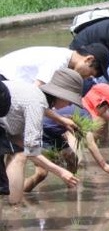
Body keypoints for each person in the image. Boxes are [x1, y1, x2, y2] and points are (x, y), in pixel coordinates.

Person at [1, 68, 84, 204]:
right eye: (69, 100)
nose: (69, 104)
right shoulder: (37, 104)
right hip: (3, 124)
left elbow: (31, 108)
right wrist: (60, 172)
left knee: (19, 149)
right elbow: (32, 151)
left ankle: (11, 206)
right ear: (59, 95)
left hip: (5, 125)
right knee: (19, 156)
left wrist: (61, 120)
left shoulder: (34, 92)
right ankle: (14, 206)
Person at [25, 83, 109, 192]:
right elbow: (90, 143)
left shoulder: (79, 105)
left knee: (72, 158)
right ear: (100, 103)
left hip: (55, 134)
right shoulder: (84, 113)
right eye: (106, 109)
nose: (105, 112)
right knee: (41, 174)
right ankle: (20, 194)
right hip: (41, 134)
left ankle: (71, 186)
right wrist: (104, 165)